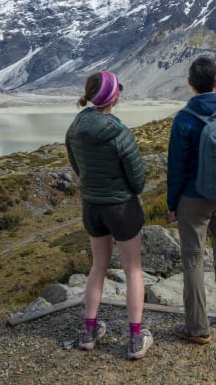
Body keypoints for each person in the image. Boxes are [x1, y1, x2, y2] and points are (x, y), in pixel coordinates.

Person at [65, 70, 152, 360]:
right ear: (114, 96)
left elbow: (78, 167)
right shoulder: (120, 132)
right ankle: (135, 338)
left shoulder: (75, 128)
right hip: (122, 207)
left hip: (92, 205)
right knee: (133, 269)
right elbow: (138, 181)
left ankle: (89, 331)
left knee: (98, 266)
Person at [166, 55, 216, 344]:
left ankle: (197, 328)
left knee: (194, 259)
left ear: (189, 84)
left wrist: (172, 204)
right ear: (215, 83)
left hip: (193, 199)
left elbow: (175, 168)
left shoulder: (184, 119)